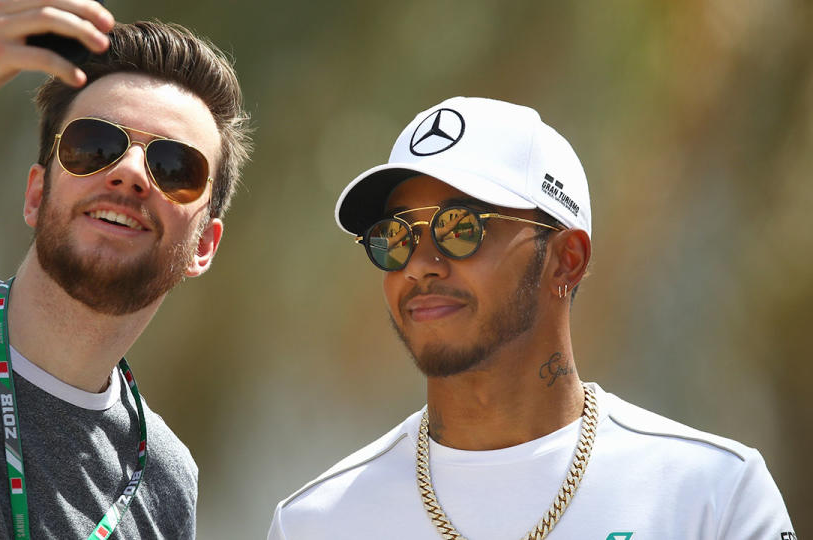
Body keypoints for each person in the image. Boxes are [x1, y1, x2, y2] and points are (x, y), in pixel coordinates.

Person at [268, 97, 794, 539]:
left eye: (461, 226)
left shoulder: (714, 496)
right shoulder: (316, 523)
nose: (421, 266)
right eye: (396, 237)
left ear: (567, 259)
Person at [0, 1, 251, 538]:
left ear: (204, 244)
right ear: (37, 195)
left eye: (175, 167)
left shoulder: (164, 481)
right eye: (95, 146)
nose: (131, 173)